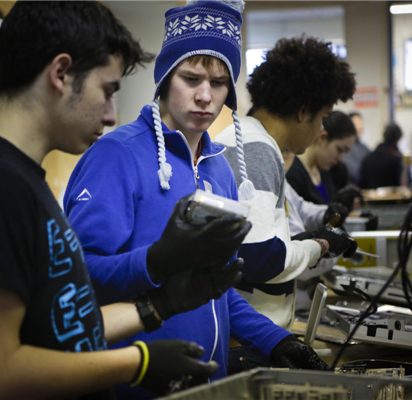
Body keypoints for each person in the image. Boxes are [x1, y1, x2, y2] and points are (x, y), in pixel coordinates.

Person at [0, 2, 245, 399]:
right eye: (107, 91)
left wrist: (157, 306)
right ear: (60, 74)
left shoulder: (21, 182)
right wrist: (136, 364)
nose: (111, 115)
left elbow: (57, 324)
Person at [64, 2, 330, 398]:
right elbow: (77, 279)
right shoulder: (116, 156)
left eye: (220, 82)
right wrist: (155, 262)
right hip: (132, 383)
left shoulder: (220, 170)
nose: (206, 96)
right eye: (191, 79)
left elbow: (215, 289)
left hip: (210, 386)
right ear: (166, 78)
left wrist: (275, 340)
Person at [213, 36, 358, 331]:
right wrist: (321, 244)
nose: (320, 129)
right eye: (322, 118)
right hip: (250, 334)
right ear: (303, 111)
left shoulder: (252, 141)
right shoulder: (256, 150)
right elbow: (260, 259)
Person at [359, 123, 404, 189]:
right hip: (391, 198)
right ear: (397, 140)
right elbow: (400, 184)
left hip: (369, 197)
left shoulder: (368, 157)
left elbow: (361, 183)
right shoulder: (396, 159)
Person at [342, 111, 371, 185]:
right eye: (357, 124)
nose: (360, 127)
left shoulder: (365, 148)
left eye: (361, 123)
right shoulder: (343, 148)